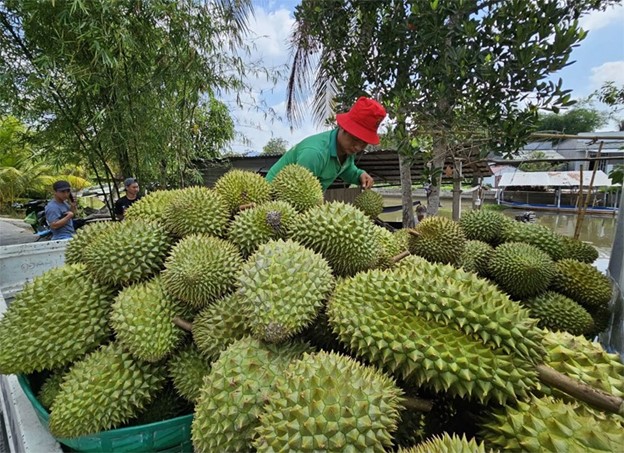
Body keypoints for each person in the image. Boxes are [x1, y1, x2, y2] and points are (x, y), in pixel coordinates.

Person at [265, 97, 386, 190]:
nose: (358, 147)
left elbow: (346, 168)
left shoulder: (347, 149)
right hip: (274, 197)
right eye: (355, 140)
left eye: (364, 143)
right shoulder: (314, 154)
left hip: (303, 197)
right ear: (343, 127)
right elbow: (298, 192)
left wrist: (359, 175)